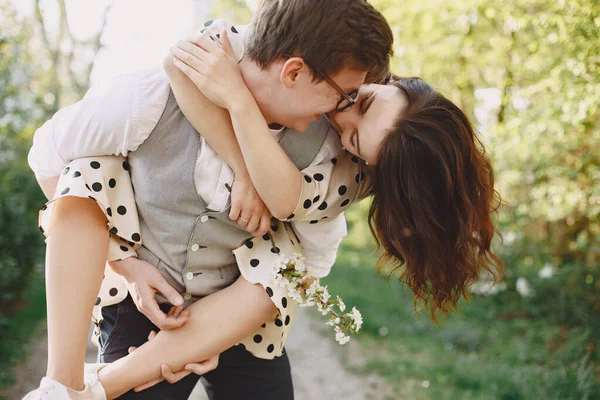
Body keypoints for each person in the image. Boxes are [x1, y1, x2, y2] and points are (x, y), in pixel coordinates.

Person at [24, 1, 394, 399]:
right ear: (294, 72)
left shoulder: (325, 149)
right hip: (147, 300)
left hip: (241, 316)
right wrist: (124, 265)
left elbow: (308, 258)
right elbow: (49, 159)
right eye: (343, 95)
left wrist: (212, 334)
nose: (342, 111)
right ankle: (61, 387)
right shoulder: (150, 97)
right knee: (85, 168)